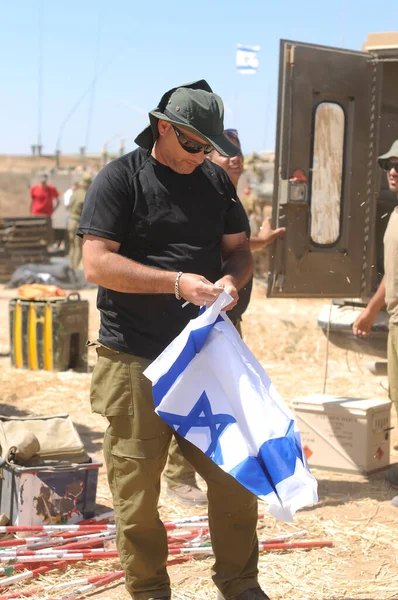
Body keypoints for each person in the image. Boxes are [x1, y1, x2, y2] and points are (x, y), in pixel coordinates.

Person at [78, 80, 269, 600]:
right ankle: (148, 590)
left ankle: (240, 584)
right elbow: (95, 262)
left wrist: (233, 279)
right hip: (134, 357)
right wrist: (175, 282)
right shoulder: (121, 180)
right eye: (192, 145)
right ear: (163, 128)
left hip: (206, 356)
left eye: (209, 147)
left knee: (234, 478)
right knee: (136, 492)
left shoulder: (214, 182)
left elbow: (239, 250)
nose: (201, 156)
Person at [164, 128, 285, 505]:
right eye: (222, 152)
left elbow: (237, 245)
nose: (233, 158)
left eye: (237, 152)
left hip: (229, 322)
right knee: (193, 398)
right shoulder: (201, 198)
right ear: (205, 156)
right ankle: (178, 475)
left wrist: (262, 241)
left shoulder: (229, 198)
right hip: (203, 320)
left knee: (225, 399)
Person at [353, 140, 398, 505]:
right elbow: (392, 275)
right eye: (390, 165)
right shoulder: (396, 214)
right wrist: (371, 310)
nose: (394, 171)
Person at [67, 175, 92, 269]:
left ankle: (70, 266)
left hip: (70, 222)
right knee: (78, 246)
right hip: (78, 222)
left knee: (72, 245)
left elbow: (68, 206)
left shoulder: (75, 193)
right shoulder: (85, 195)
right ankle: (75, 268)